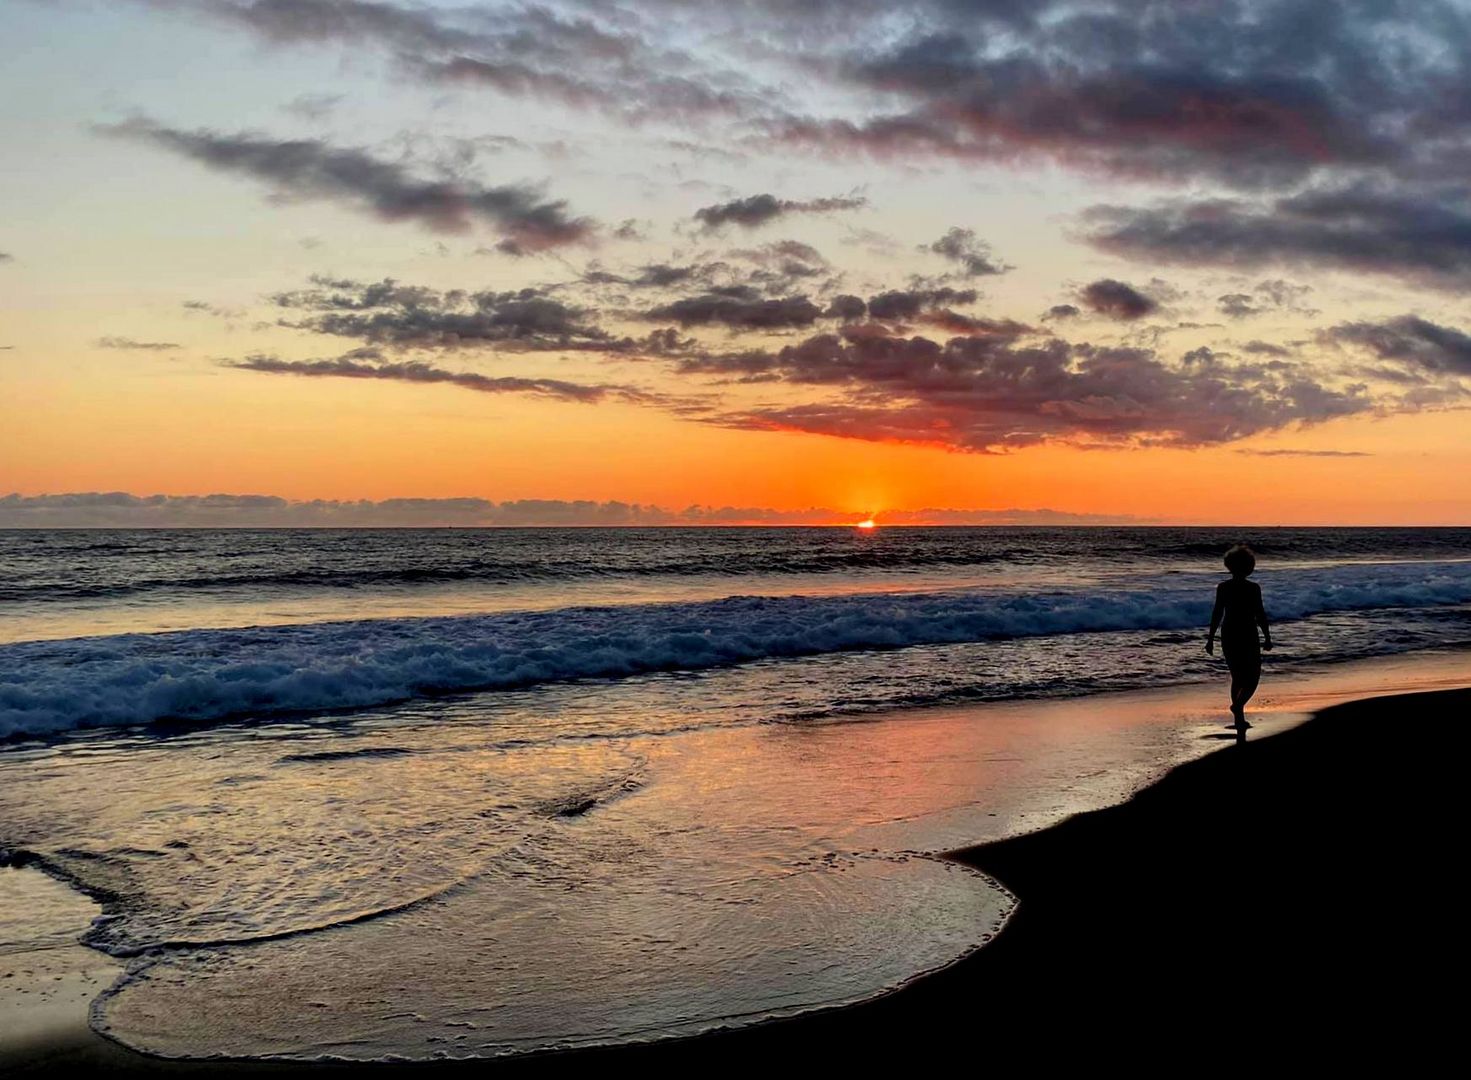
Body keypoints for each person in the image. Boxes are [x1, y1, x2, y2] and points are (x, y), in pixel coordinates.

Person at [1206, 544, 1272, 729]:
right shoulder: (1253, 588)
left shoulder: (1223, 587)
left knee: (1237, 676)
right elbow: (1260, 614)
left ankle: (1239, 717)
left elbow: (1217, 614)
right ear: (1249, 566)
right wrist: (1267, 636)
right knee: (1252, 676)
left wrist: (1210, 638)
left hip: (1229, 633)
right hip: (1247, 632)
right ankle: (1238, 707)